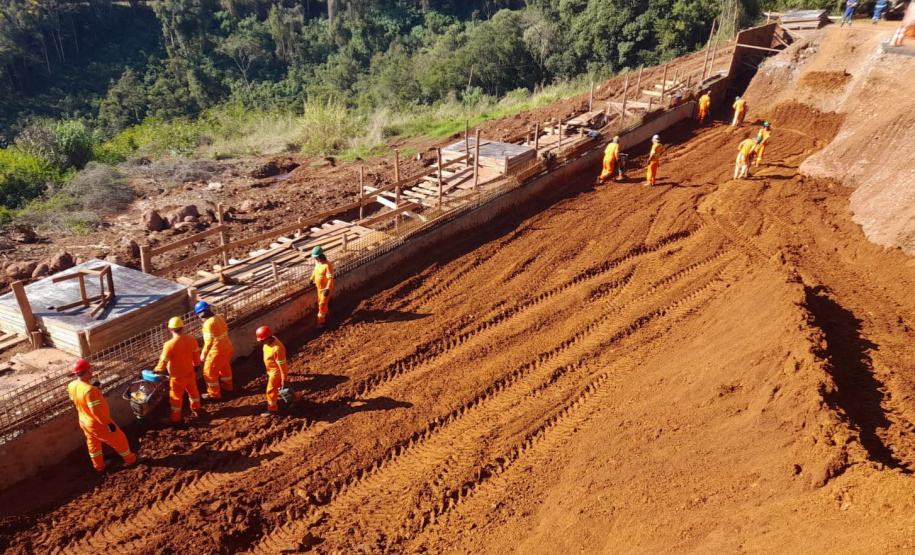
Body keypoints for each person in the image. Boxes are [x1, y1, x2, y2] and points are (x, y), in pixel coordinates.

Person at [68, 359, 137, 472]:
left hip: (84, 421)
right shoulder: (89, 390)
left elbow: (80, 399)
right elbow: (95, 411)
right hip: (97, 423)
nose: (92, 371)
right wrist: (108, 423)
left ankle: (99, 467)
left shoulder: (72, 385)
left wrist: (94, 388)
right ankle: (131, 460)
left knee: (93, 444)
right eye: (90, 369)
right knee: (119, 438)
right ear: (86, 372)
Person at [154, 317, 202, 424]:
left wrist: (157, 370)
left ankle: (176, 419)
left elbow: (163, 361)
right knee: (193, 393)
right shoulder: (191, 339)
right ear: (182, 328)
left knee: (176, 398)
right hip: (190, 373)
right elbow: (196, 353)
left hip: (177, 377)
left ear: (170, 329)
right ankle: (197, 409)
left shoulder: (169, 345)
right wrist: (196, 364)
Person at [255, 326, 302, 416]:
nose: (261, 342)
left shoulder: (277, 348)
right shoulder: (268, 343)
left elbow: (283, 365)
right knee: (285, 390)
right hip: (271, 371)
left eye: (262, 340)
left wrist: (284, 379)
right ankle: (297, 398)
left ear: (269, 337)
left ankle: (272, 409)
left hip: (276, 373)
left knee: (270, 390)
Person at [195, 301, 234, 401]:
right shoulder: (219, 317)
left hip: (216, 352)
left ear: (200, 314)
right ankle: (228, 386)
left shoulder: (208, 324)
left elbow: (209, 342)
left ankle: (214, 394)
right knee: (224, 366)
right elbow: (226, 329)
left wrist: (203, 355)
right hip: (227, 347)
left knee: (209, 372)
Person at [310, 246, 335, 329]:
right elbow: (315, 272)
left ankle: (321, 322)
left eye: (316, 258)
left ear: (319, 257)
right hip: (319, 288)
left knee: (322, 304)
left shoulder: (327, 266)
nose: (315, 259)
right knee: (320, 302)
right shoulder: (318, 264)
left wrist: (327, 289)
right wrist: (311, 279)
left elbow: (330, 279)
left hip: (325, 289)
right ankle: (327, 315)